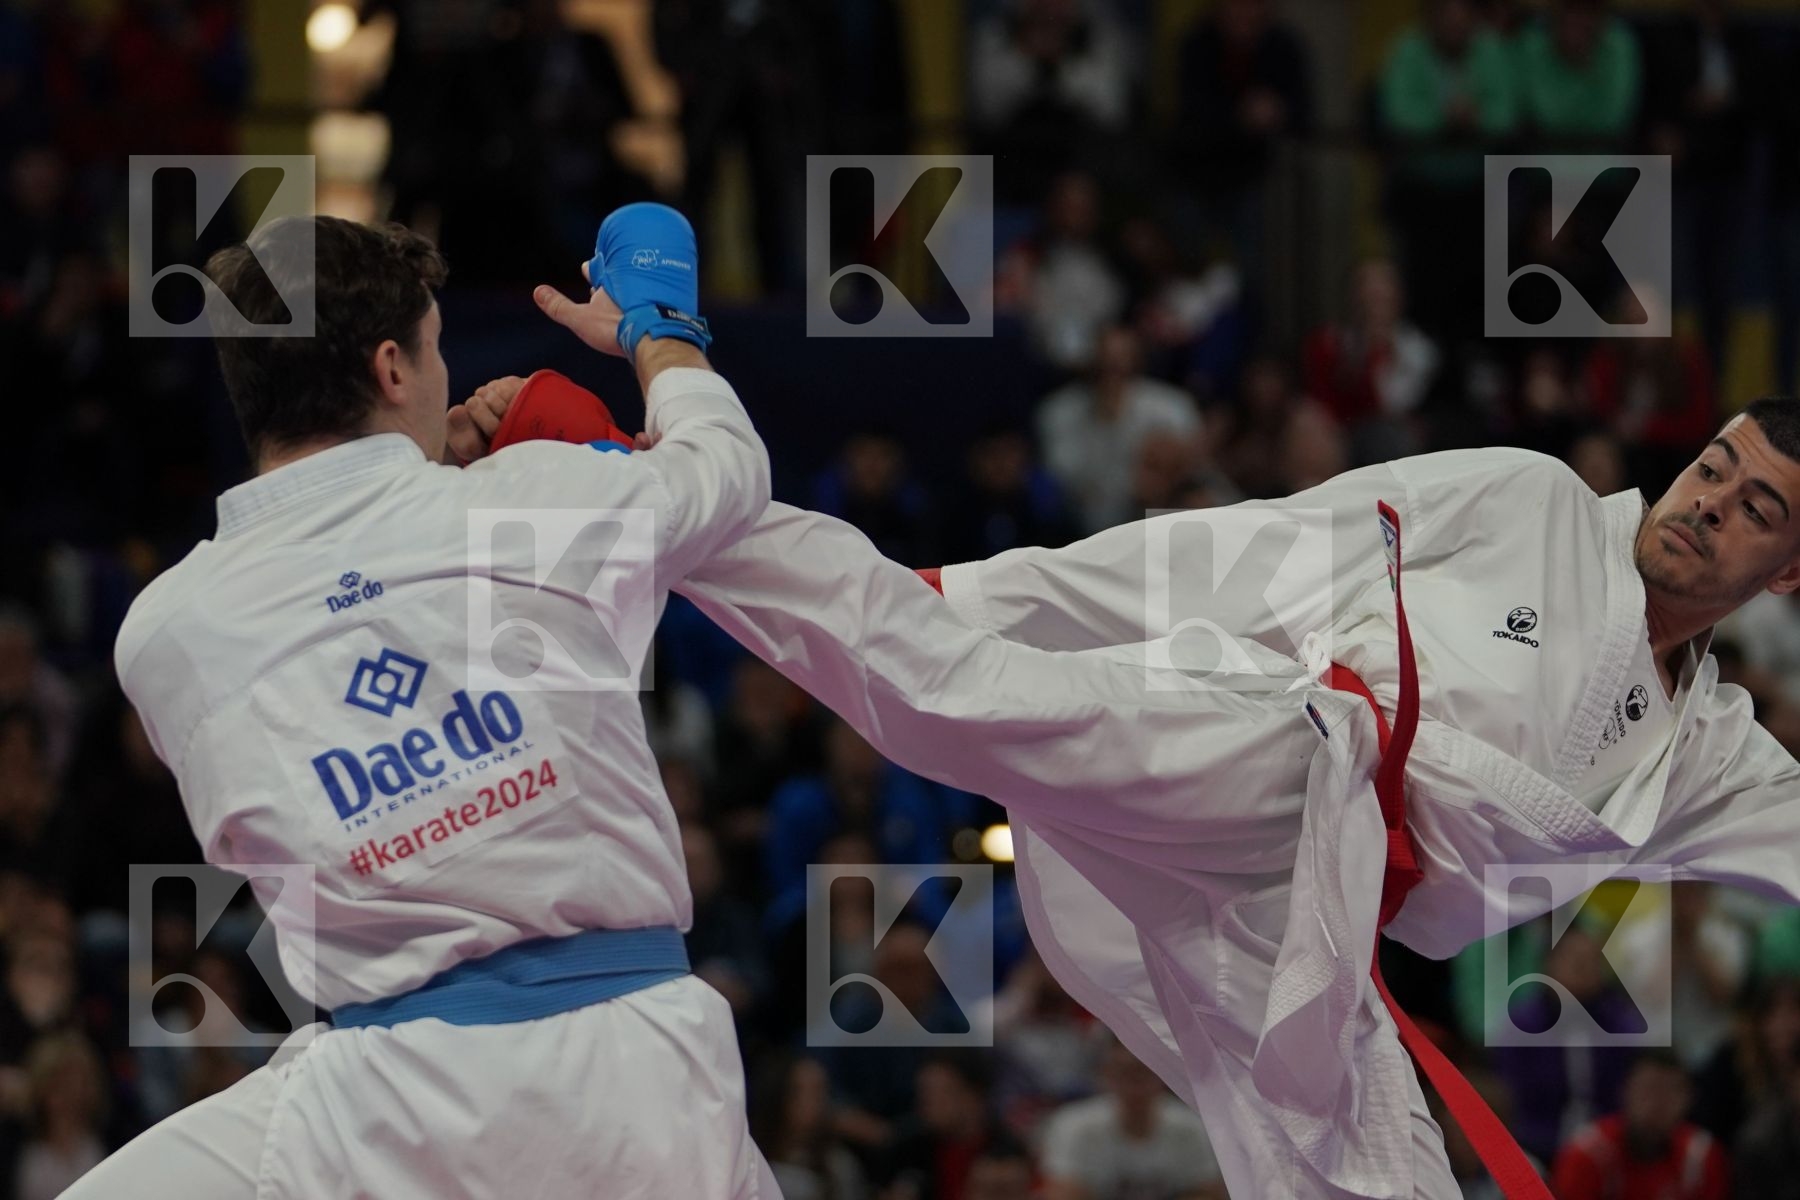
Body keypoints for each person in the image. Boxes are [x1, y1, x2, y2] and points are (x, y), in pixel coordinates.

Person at [656, 396, 1800, 1198]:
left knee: (1383, 1183)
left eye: (1758, 508)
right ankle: (663, 491)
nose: (1708, 503)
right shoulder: (1536, 504)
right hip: (1273, 749)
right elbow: (1270, 544)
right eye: (1713, 466)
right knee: (966, 689)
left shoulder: (1711, 756)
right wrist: (980, 592)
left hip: (1314, 919)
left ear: (1791, 575)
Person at [79, 207, 779, 1197]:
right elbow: (727, 470)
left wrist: (422, 490)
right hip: (630, 1070)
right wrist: (660, 328)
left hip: (372, 1102)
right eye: (436, 351)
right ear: (393, 370)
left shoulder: (163, 633)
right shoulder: (527, 503)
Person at [1549, 1051, 1729, 1200]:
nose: (1658, 1102)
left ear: (1689, 1099)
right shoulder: (1587, 1153)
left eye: (1670, 1091)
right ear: (1625, 1091)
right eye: (1649, 1088)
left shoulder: (1702, 1157)